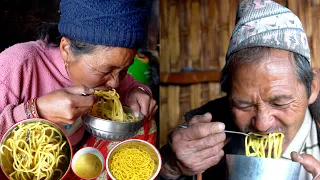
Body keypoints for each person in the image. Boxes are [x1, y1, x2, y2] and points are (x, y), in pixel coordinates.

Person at [159, 0, 320, 179]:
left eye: (279, 102)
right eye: (244, 105)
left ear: (312, 87)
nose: (262, 124)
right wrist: (170, 167)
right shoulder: (209, 140)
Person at [0, 0, 157, 177]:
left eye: (124, 70)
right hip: (20, 169)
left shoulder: (113, 77)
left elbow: (133, 85)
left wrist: (139, 92)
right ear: (66, 49)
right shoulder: (17, 64)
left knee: (144, 125)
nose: (115, 83)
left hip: (72, 163)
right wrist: (35, 111)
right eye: (106, 71)